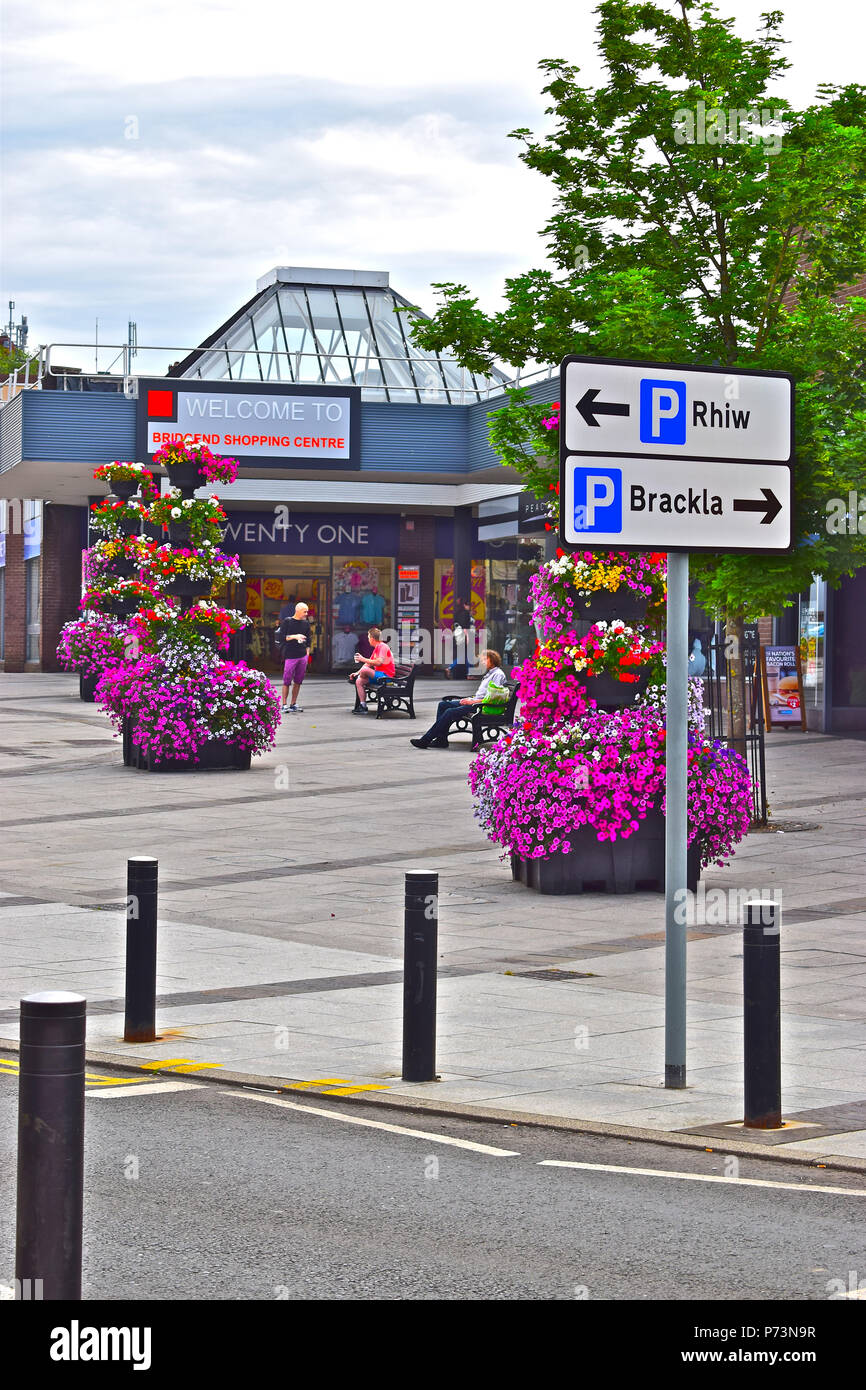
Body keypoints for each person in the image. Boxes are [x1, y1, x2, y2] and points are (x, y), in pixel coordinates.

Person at [411, 649, 509, 748]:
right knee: (443, 705)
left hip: (482, 706)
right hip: (476, 702)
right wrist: (469, 699)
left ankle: (425, 740)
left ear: (492, 660)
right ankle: (441, 740)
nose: (482, 662)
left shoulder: (498, 674)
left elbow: (493, 699)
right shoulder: (490, 673)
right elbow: (483, 694)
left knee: (450, 712)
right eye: (482, 660)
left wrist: (472, 701)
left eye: (485, 659)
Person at [350, 626, 395, 713]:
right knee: (359, 681)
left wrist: (362, 659)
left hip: (386, 677)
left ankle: (362, 675)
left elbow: (379, 662)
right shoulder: (377, 648)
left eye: (368, 637)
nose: (368, 640)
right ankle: (363, 706)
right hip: (379, 676)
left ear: (372, 638)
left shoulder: (383, 646)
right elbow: (368, 663)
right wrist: (356, 673)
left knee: (364, 671)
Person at [276, 601, 311, 713]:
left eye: (307, 611)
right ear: (298, 610)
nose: (306, 613)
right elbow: (282, 637)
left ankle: (293, 703)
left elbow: (309, 640)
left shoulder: (306, 623)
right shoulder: (287, 621)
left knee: (298, 681)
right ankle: (284, 704)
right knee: (287, 680)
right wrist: (295, 636)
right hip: (290, 655)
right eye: (304, 611)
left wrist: (307, 654)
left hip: (302, 655)